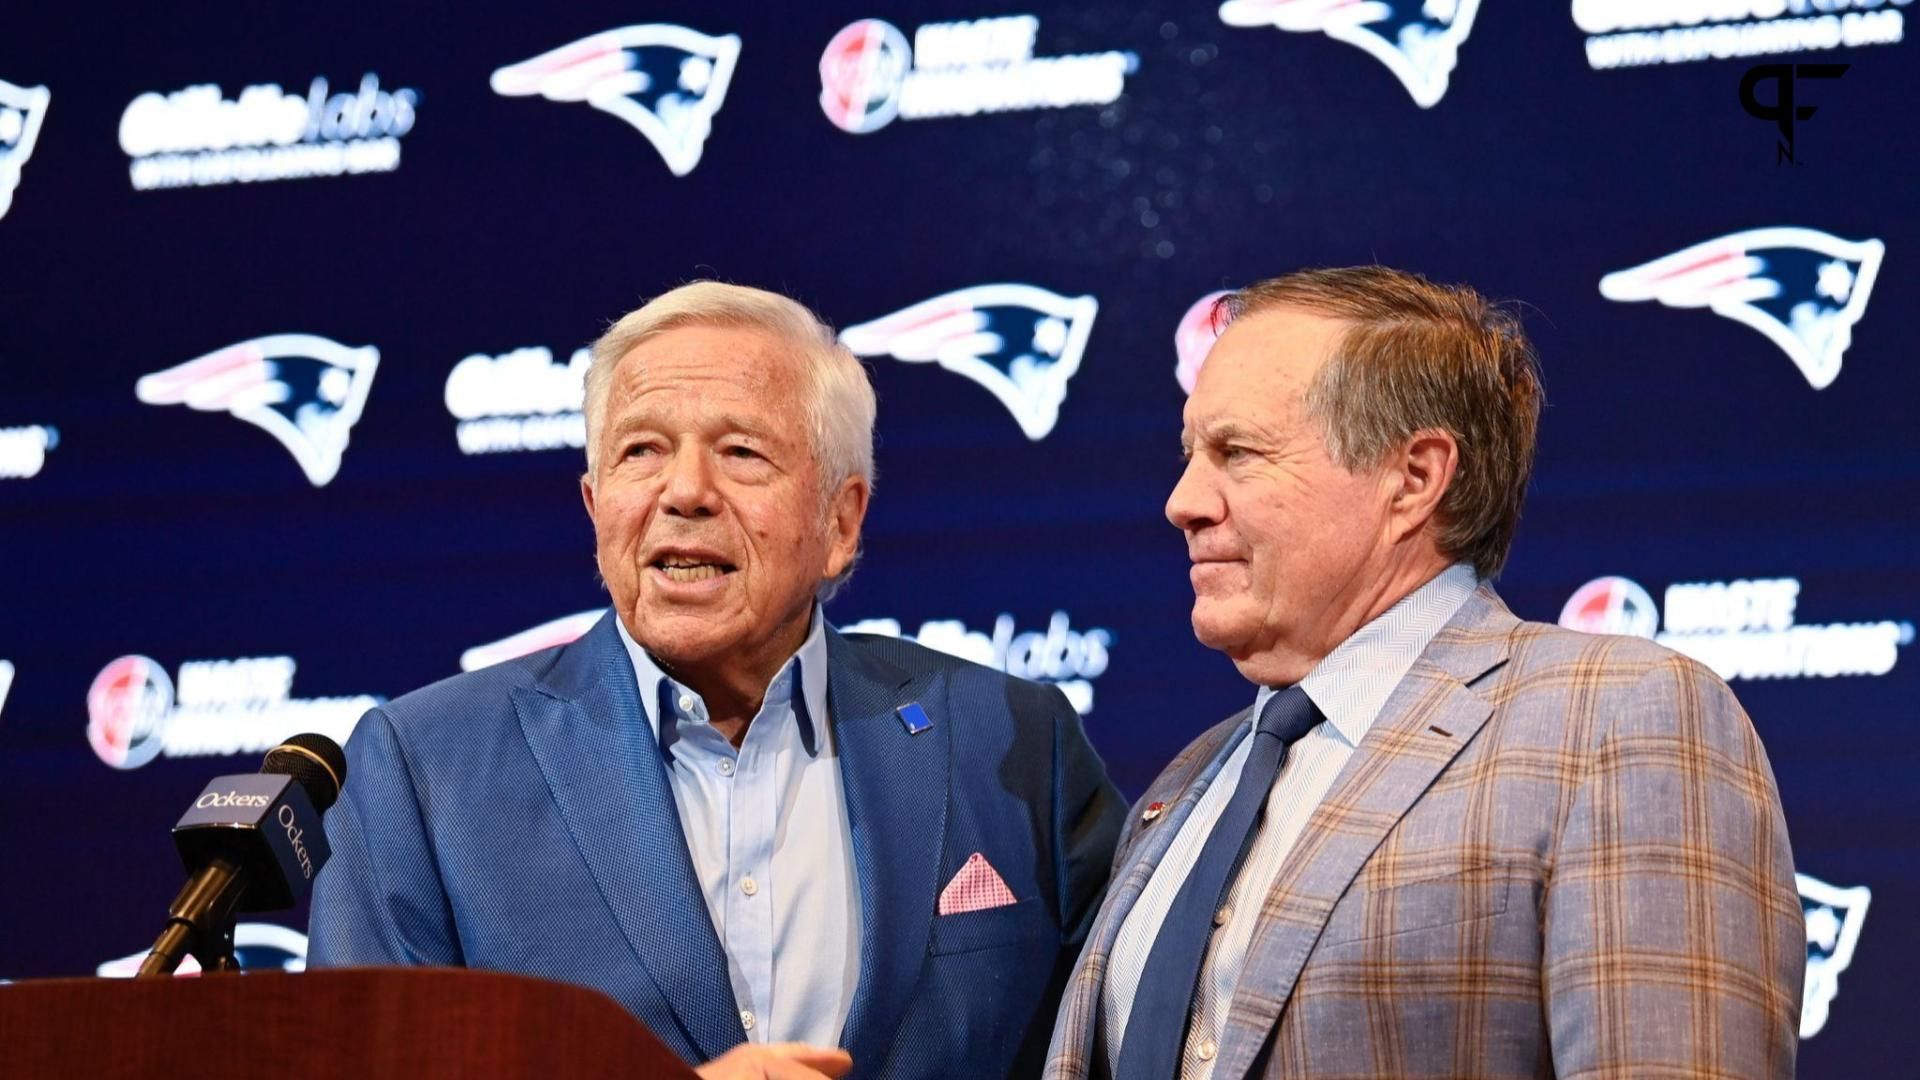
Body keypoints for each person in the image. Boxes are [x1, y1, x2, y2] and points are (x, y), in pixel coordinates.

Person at [310, 281, 1126, 1079]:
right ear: (596, 505)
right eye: (642, 451)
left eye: (741, 452)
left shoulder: (1012, 740)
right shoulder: (422, 770)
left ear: (841, 522)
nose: (686, 492)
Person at [1046, 266, 1802, 1079]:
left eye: (1238, 451)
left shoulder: (1620, 720)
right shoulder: (1187, 782)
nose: (1183, 500)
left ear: (1413, 478)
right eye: (1192, 451)